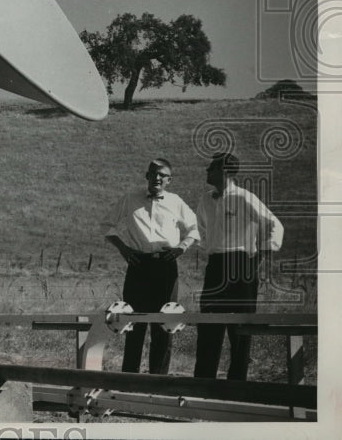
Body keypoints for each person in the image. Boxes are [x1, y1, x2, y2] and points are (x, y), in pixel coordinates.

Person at [100, 158, 200, 374]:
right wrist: (123, 249)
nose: (157, 178)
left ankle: (158, 381)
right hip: (138, 265)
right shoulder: (130, 199)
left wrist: (181, 248)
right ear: (147, 176)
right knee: (132, 323)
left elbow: (195, 228)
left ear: (169, 180)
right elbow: (106, 225)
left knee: (165, 323)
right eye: (154, 173)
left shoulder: (176, 202)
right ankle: (129, 379)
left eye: (163, 175)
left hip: (166, 266)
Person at [194, 152, 284, 381]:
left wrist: (261, 254)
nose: (207, 171)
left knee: (241, 329)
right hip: (215, 266)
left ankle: (237, 384)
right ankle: (203, 383)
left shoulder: (244, 198)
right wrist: (209, 248)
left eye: (211, 168)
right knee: (208, 324)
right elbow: (200, 227)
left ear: (224, 171)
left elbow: (274, 224)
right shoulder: (206, 200)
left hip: (242, 266)